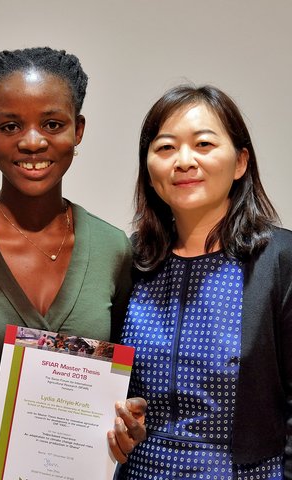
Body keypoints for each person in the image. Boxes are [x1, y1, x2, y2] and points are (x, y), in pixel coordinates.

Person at [0, 47, 147, 480]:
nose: (32, 141)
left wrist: (129, 417)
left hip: (69, 466)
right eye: (11, 126)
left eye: (52, 124)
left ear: (78, 130)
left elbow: (125, 378)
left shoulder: (113, 248)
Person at [117, 84, 292, 479]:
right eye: (165, 148)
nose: (183, 161)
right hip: (141, 472)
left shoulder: (279, 260)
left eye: (204, 144)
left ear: (241, 162)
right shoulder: (132, 260)